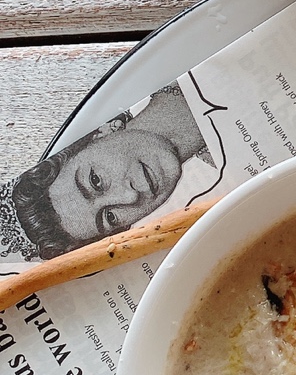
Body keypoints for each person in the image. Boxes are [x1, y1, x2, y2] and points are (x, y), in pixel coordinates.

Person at [0, 84, 211, 261]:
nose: (130, 197)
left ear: (98, 135)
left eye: (95, 180)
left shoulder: (162, 71)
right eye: (110, 217)